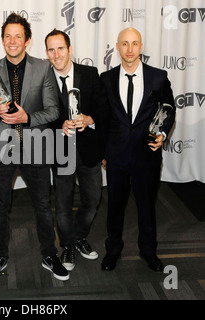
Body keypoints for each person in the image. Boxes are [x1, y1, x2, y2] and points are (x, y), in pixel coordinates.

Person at [0, 13, 69, 282]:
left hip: (36, 147)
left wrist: (27, 117)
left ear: (27, 40)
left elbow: (54, 111)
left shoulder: (43, 68)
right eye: (7, 36)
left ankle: (48, 253)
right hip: (2, 149)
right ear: (2, 40)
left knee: (43, 206)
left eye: (18, 36)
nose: (12, 41)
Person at [100, 27, 176, 272]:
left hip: (147, 154)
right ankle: (113, 250)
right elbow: (103, 118)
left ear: (141, 46)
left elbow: (169, 108)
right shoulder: (106, 78)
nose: (130, 49)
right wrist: (103, 151)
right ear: (118, 46)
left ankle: (148, 251)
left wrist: (162, 133)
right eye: (125, 44)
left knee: (146, 205)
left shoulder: (158, 77)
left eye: (134, 44)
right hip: (116, 154)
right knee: (115, 205)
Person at [45, 29, 108, 271]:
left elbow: (104, 110)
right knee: (62, 204)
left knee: (92, 200)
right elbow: (39, 117)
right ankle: (68, 245)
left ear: (70, 49)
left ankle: (80, 236)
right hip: (60, 152)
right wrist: (57, 124)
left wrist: (89, 118)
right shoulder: (43, 78)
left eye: (60, 48)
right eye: (51, 49)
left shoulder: (89, 74)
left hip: (89, 150)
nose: (56, 54)